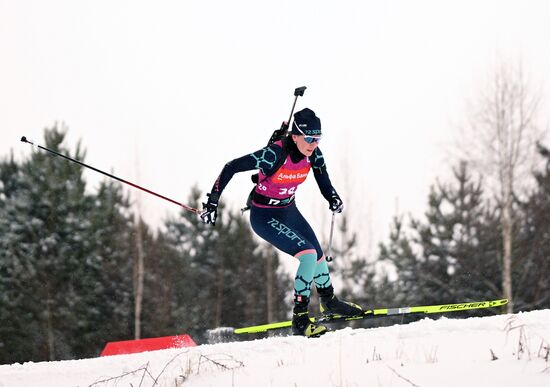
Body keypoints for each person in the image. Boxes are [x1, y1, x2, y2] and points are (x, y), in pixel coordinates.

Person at [200, 108, 363, 337]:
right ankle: (300, 319)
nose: (313, 144)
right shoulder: (273, 154)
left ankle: (330, 302)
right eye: (309, 138)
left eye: (318, 139)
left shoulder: (314, 154)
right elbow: (231, 166)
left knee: (317, 255)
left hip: (288, 210)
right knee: (307, 256)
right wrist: (212, 202)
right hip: (264, 216)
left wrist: (333, 197)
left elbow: (323, 180)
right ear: (295, 136)